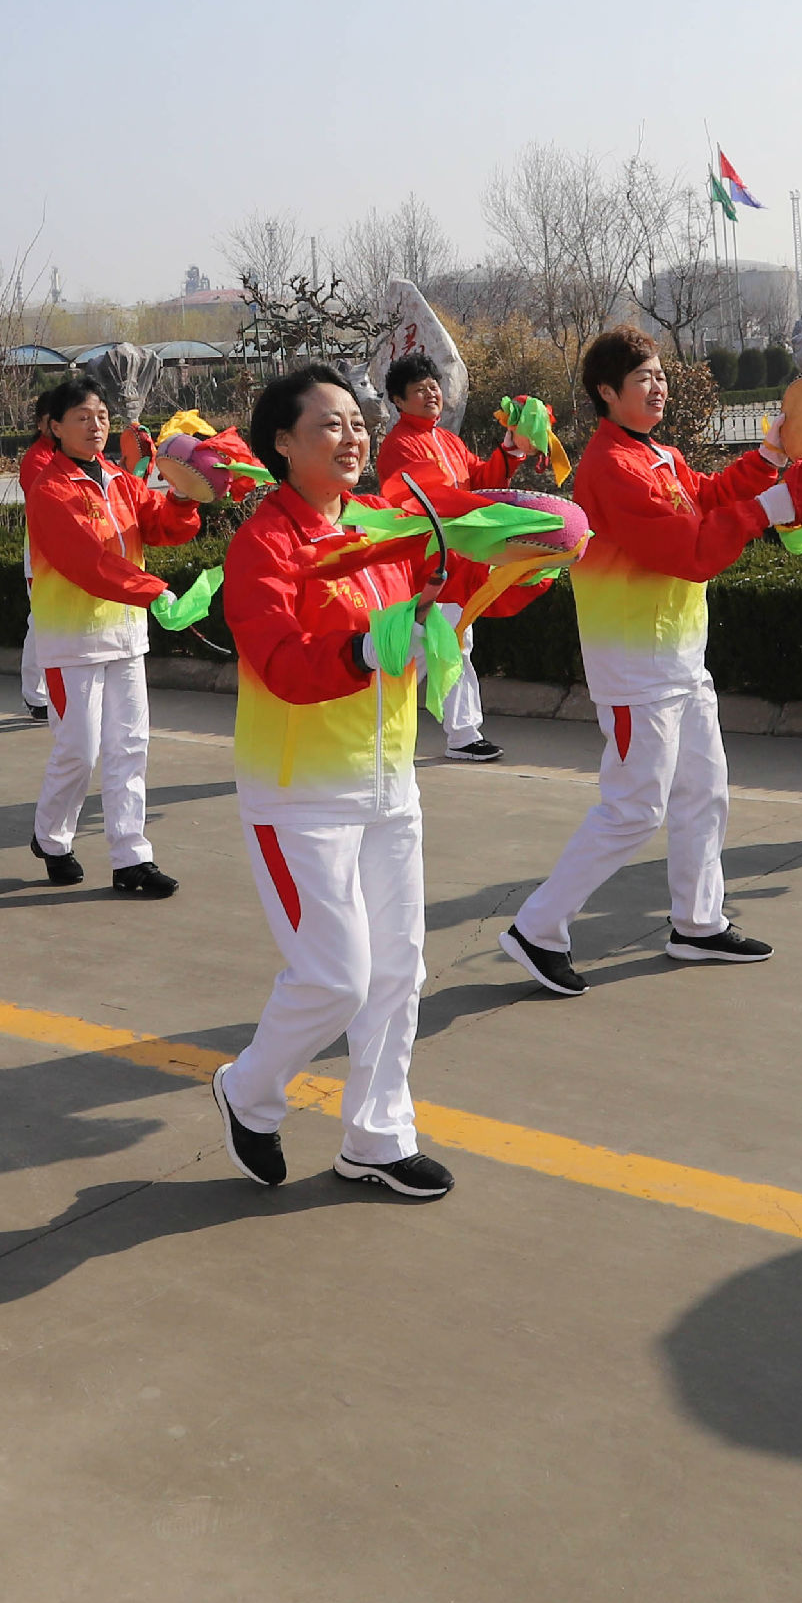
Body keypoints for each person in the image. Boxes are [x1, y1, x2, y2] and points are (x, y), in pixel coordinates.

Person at [207, 365, 548, 1202]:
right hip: (300, 796)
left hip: (390, 784)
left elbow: (460, 589)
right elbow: (280, 660)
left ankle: (377, 1138)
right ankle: (249, 1090)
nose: (353, 436)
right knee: (336, 978)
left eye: (357, 422)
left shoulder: (382, 524)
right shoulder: (264, 545)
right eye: (330, 424)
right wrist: (365, 649)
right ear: (282, 443)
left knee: (399, 972)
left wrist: (529, 558)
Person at [497, 331, 802, 996]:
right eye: (643, 378)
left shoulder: (659, 455)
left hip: (681, 656)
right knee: (634, 809)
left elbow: (709, 496)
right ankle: (537, 927)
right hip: (633, 667)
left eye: (661, 374)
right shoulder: (610, 467)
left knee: (705, 791)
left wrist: (768, 457)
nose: (659, 386)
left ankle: (697, 923)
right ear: (607, 393)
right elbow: (688, 550)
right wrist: (768, 509)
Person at [17, 378, 205, 894]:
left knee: (130, 747)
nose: (95, 425)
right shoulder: (49, 489)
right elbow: (87, 562)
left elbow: (162, 526)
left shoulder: (121, 480)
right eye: (82, 417)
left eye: (100, 416)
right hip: (71, 640)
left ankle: (131, 858)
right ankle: (51, 838)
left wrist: (184, 496)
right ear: (55, 427)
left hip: (125, 636)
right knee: (79, 749)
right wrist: (153, 591)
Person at [371, 353, 532, 766]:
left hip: (456, 560)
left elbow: (481, 480)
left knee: (451, 643)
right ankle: (371, 718)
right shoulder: (399, 446)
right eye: (419, 390)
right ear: (398, 401)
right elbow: (428, 501)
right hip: (426, 563)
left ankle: (460, 734)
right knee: (433, 645)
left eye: (433, 386)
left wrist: (511, 446)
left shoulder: (447, 440)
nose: (431, 394)